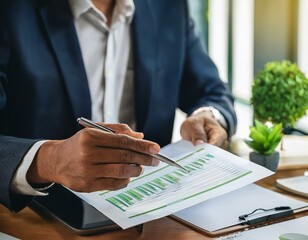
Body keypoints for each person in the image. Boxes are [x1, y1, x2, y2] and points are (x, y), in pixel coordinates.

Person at [0, 0, 237, 212]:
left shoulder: (169, 6)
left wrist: (208, 115)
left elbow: (211, 91)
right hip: (38, 215)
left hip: (151, 212)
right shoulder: (11, 10)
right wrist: (51, 160)